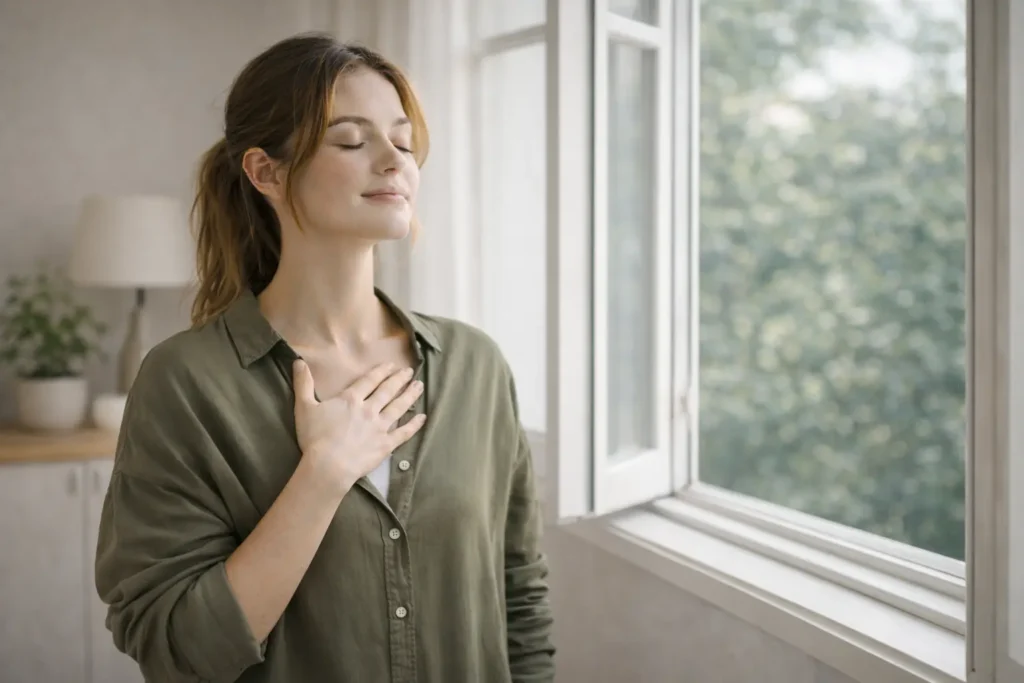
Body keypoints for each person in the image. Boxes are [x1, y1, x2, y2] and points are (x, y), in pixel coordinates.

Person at [93, 32, 554, 683]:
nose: (394, 160)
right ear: (266, 172)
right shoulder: (185, 383)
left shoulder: (477, 367)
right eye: (351, 140)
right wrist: (323, 473)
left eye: (403, 139)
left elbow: (522, 603)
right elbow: (176, 653)